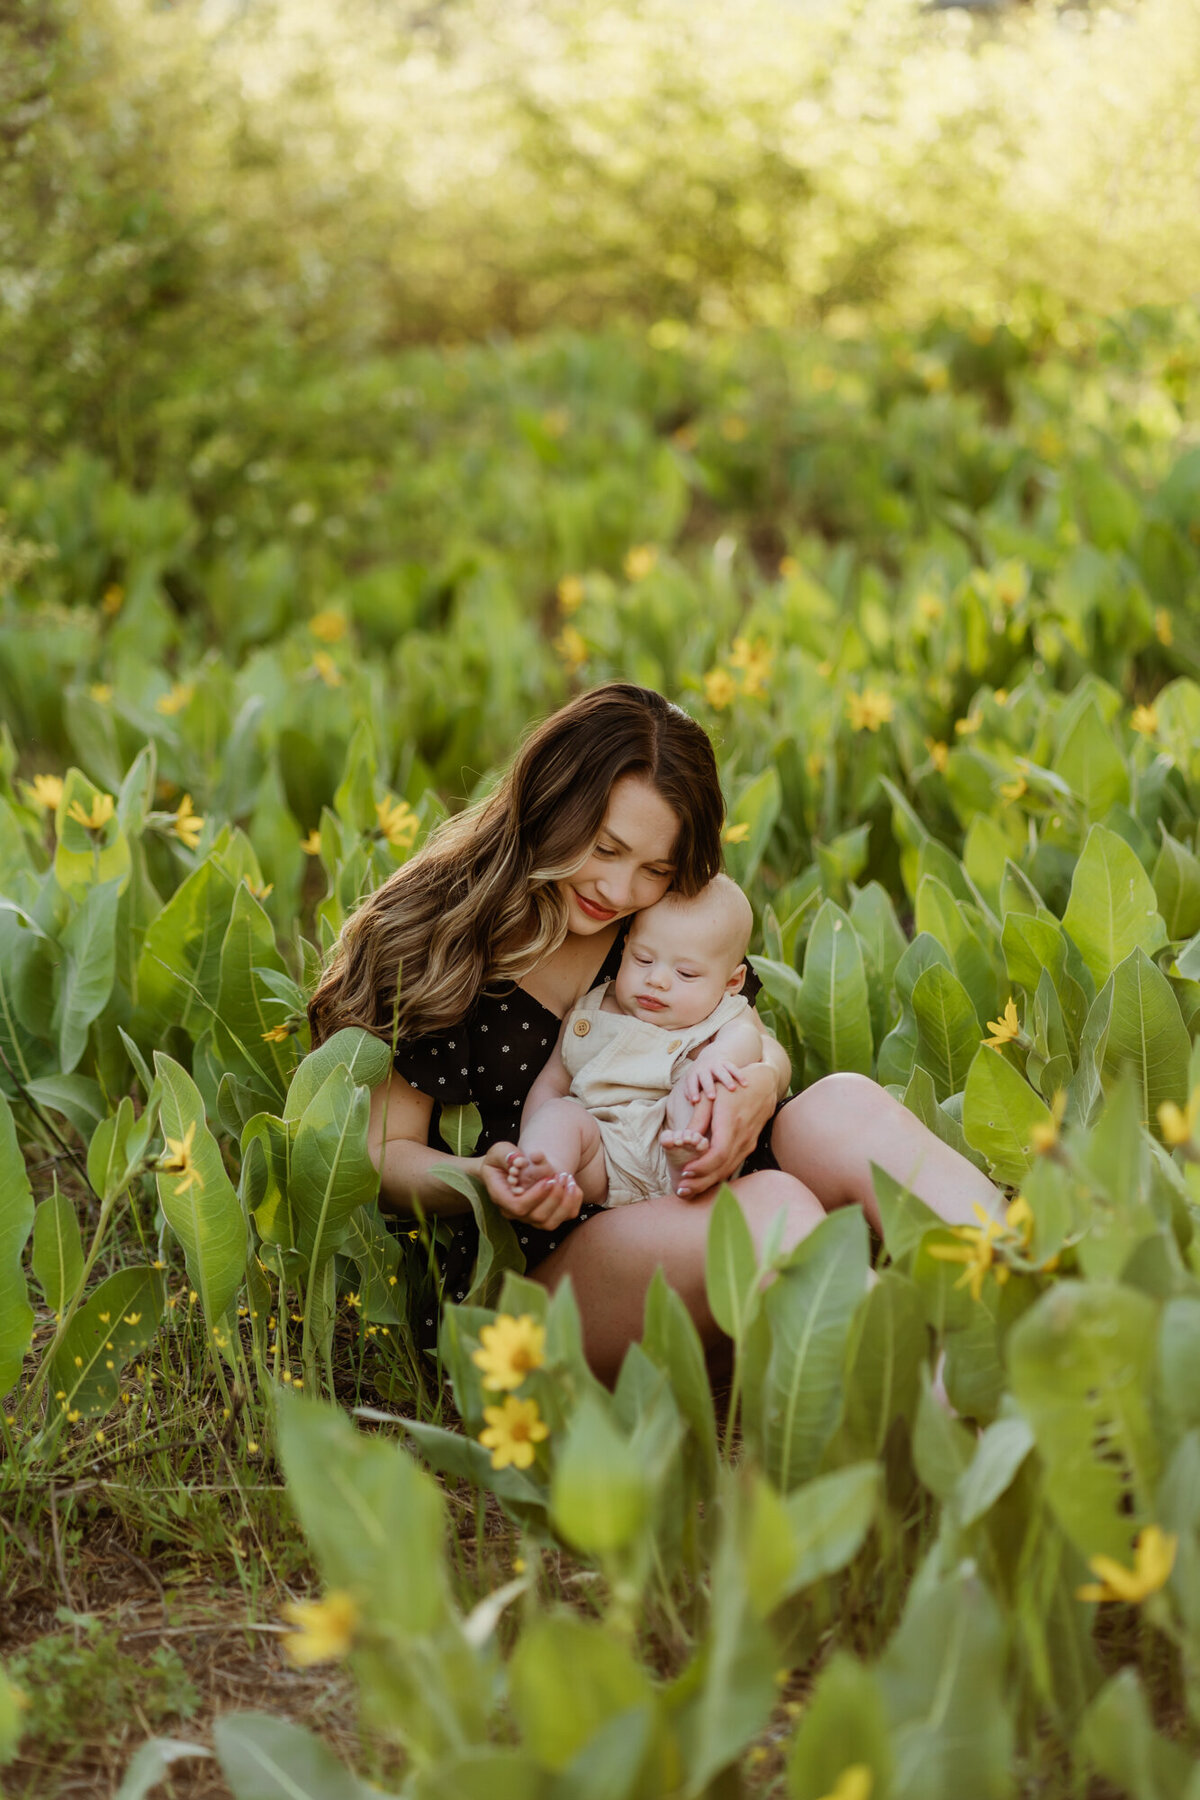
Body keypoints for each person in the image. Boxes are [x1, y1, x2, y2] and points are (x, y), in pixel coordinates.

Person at [308, 682, 1002, 1383]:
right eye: (603, 848)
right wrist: (481, 1180)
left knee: (842, 1103)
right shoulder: (436, 939)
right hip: (538, 1264)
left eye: (654, 869)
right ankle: (935, 1402)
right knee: (768, 1210)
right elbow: (380, 1156)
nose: (617, 888)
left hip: (691, 1190)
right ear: (548, 801)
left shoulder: (649, 923)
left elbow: (751, 1035)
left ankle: (1021, 1289)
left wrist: (759, 1088)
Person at [505, 874, 773, 1208]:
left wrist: (715, 1058)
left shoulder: (723, 1013)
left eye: (685, 974)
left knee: (700, 1089)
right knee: (559, 1114)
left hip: (676, 1139)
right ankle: (546, 1176)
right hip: (603, 1154)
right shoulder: (588, 1012)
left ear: (732, 981)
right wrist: (537, 1135)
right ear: (625, 946)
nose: (656, 980)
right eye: (642, 960)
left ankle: (687, 1162)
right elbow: (551, 1083)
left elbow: (747, 1038)